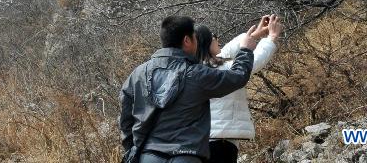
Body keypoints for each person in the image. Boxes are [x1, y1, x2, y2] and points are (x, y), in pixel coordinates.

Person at [119, 15, 269, 163]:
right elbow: (237, 77)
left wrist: (132, 148)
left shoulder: (138, 74)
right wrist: (245, 51)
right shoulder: (196, 74)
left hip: (148, 155)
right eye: (195, 38)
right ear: (187, 40)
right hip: (186, 155)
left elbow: (126, 119)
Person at [197, 15, 282, 163]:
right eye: (213, 36)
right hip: (219, 142)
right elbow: (250, 62)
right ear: (205, 42)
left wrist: (254, 35)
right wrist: (271, 38)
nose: (217, 39)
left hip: (202, 140)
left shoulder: (198, 68)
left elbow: (226, 53)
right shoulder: (221, 70)